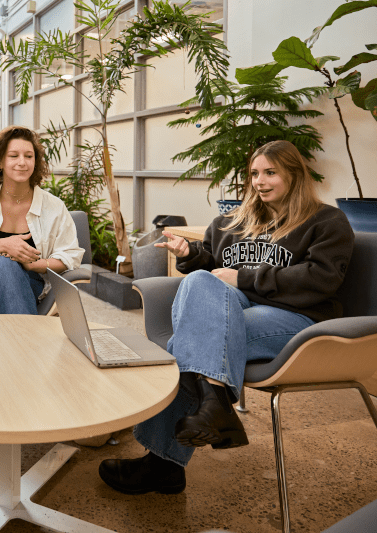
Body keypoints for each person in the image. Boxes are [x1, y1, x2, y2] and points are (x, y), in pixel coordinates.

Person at [99, 140, 355, 495]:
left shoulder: (326, 221)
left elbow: (320, 280)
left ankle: (163, 463)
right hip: (233, 308)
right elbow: (213, 272)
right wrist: (191, 255)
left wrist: (244, 278)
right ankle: (215, 402)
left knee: (185, 344)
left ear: (294, 175)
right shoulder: (231, 223)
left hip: (295, 319)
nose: (259, 181)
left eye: (270, 173)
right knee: (200, 285)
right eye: (254, 173)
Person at [0, 125, 84, 314]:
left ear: (35, 162)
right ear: (0, 162)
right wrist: (4, 245)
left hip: (30, 281)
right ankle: (27, 339)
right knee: (4, 263)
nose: (22, 162)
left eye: (29, 156)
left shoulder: (54, 207)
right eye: (13, 156)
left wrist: (32, 265)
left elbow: (69, 256)